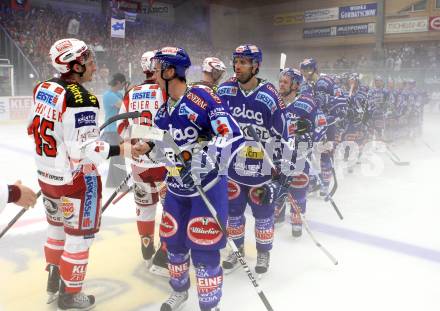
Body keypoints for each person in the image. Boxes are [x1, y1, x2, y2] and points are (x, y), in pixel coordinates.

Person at [141, 46, 244, 311]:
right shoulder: (163, 110)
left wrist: (201, 160)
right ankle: (180, 292)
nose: (152, 72)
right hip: (176, 189)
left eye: (157, 67)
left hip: (207, 189)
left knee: (204, 249)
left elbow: (232, 134)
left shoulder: (202, 96)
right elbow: (162, 149)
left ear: (171, 71)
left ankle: (210, 305)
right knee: (173, 245)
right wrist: (150, 149)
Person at [28, 38, 125, 310]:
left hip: (47, 177)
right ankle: (70, 295)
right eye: (89, 60)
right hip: (76, 182)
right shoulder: (82, 98)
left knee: (56, 227)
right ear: (74, 64)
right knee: (78, 236)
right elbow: (86, 151)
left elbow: (31, 127)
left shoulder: (42, 87)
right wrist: (122, 149)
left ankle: (54, 279)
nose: (95, 65)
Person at [217, 44, 288, 276]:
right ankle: (236, 252)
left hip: (261, 172)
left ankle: (263, 252)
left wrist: (282, 172)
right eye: (236, 61)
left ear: (256, 65)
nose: (237, 66)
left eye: (244, 62)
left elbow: (282, 136)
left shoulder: (269, 96)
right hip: (233, 169)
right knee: (234, 215)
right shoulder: (225, 90)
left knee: (263, 216)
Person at [117, 51, 169, 276]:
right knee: (171, 210)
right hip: (164, 164)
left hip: (139, 165)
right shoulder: (165, 90)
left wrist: (137, 144)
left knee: (144, 210)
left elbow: (121, 128)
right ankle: (165, 255)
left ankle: (147, 249)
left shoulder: (132, 92)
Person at [276, 68, 327, 236]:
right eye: (280, 81)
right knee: (277, 186)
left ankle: (297, 222)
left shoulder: (307, 102)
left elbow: (320, 125)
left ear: (296, 85)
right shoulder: (274, 101)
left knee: (298, 187)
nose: (281, 85)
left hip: (300, 150)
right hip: (277, 151)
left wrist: (307, 135)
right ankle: (278, 216)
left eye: (285, 82)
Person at [102, 72, 128, 188]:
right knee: (118, 156)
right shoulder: (108, 95)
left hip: (117, 129)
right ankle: (120, 185)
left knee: (117, 157)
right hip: (111, 129)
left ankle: (113, 183)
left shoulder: (118, 94)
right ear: (118, 82)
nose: (123, 86)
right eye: (123, 84)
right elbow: (124, 107)